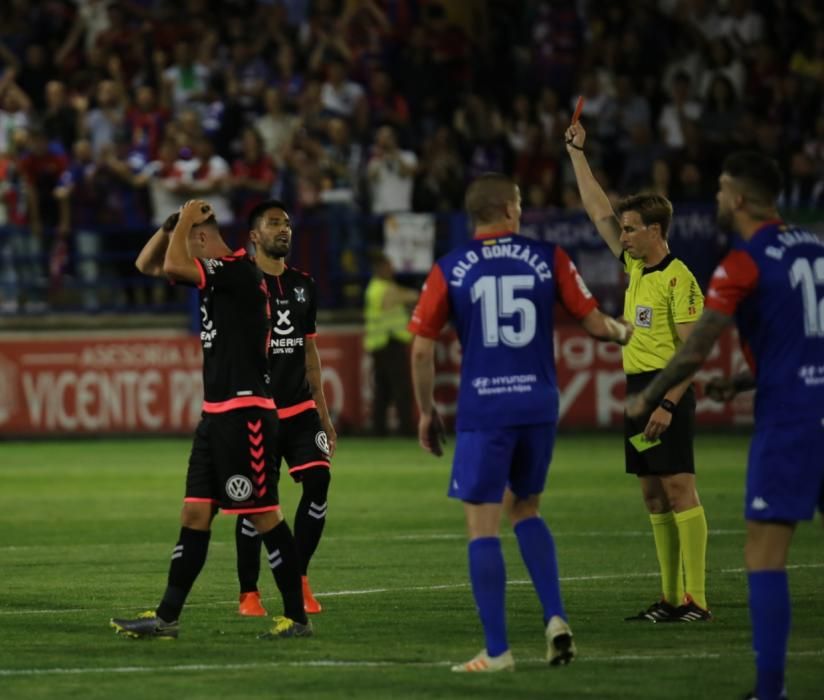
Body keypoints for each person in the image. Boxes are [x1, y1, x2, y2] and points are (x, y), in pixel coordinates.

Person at [408, 172, 633, 672]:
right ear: (509, 209)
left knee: (481, 523)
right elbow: (596, 325)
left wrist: (427, 411)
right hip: (539, 405)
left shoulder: (451, 267)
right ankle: (555, 617)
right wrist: (625, 332)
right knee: (525, 507)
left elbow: (422, 348)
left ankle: (497, 651)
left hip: (485, 408)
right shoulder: (549, 258)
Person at [626, 151, 824, 700]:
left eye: (718, 191)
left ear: (737, 198)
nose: (714, 199)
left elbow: (695, 347)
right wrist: (738, 383)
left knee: (764, 553)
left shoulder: (743, 262)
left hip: (792, 421)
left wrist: (648, 397)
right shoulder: (817, 246)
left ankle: (770, 690)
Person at [112, 199, 311, 640]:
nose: (182, 249)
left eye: (189, 239)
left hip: (247, 415)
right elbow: (147, 264)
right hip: (216, 416)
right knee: (195, 513)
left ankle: (297, 618)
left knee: (264, 515)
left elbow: (177, 268)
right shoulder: (216, 272)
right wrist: (170, 226)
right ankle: (166, 618)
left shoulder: (238, 269)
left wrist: (185, 220)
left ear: (202, 239)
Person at [565, 120, 711, 623]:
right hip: (637, 388)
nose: (621, 235)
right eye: (623, 228)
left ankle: (697, 600)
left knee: (679, 488)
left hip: (664, 390)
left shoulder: (680, 278)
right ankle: (670, 599)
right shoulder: (634, 267)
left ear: (655, 231)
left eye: (630, 229)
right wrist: (577, 154)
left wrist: (669, 404)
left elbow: (693, 353)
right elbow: (597, 209)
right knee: (653, 494)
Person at [235, 199, 336, 618]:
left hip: (300, 409)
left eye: (288, 224)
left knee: (318, 483)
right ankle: (249, 593)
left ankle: (299, 577)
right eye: (274, 223)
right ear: (255, 236)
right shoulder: (238, 283)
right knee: (257, 504)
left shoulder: (304, 285)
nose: (284, 230)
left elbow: (309, 351)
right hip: (257, 411)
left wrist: (325, 415)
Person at [364, 251, 419, 436]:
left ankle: (379, 431)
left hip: (382, 345)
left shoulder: (384, 287)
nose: (391, 269)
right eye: (388, 266)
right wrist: (412, 294)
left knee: (383, 391)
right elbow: (407, 296)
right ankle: (406, 430)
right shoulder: (379, 289)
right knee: (401, 389)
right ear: (379, 268)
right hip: (389, 344)